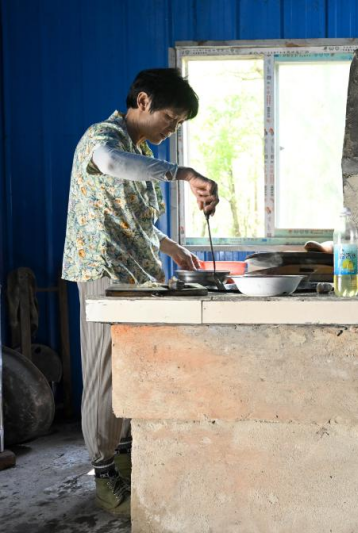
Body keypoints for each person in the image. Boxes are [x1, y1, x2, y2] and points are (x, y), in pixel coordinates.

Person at [62, 68, 219, 515]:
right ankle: (103, 472)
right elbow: (110, 165)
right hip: (104, 272)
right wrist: (183, 173)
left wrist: (174, 248)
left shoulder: (141, 150)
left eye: (179, 124)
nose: (172, 129)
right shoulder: (102, 137)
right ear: (144, 101)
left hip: (138, 275)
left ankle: (126, 457)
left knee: (137, 369)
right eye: (171, 118)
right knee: (106, 374)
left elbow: (137, 223)